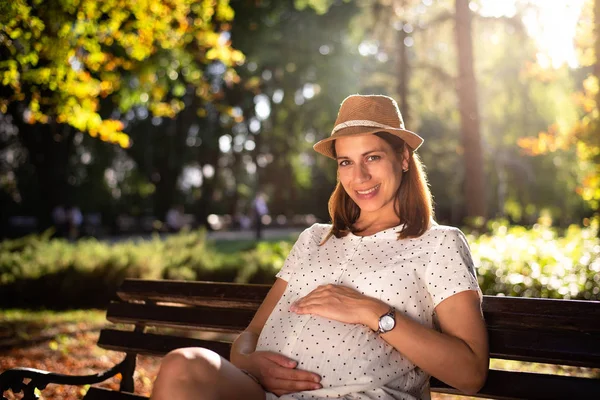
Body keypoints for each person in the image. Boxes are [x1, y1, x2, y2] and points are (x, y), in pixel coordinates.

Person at [150, 95, 489, 400]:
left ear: (403, 158)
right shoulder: (314, 238)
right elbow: (250, 334)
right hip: (262, 393)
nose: (360, 176)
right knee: (184, 365)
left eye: (372, 157)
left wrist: (374, 313)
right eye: (345, 162)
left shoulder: (438, 244)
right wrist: (250, 362)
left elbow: (470, 374)